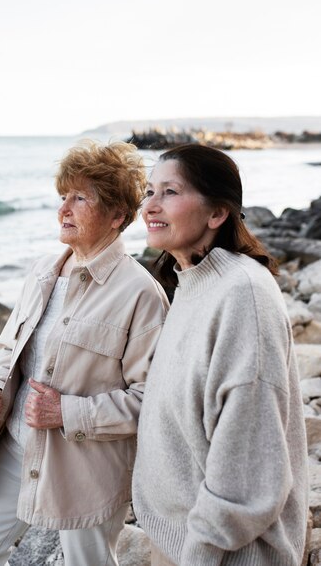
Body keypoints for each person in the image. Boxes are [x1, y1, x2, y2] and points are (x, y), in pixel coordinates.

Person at [0, 139, 169, 566]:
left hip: (86, 467)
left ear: (117, 216)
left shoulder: (142, 294)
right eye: (63, 196)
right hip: (13, 448)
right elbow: (9, 347)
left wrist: (66, 413)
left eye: (80, 198)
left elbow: (153, 402)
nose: (63, 208)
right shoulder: (41, 271)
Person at [132, 144, 308, 566]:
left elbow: (248, 470)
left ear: (217, 214)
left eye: (170, 192)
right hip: (180, 538)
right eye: (149, 191)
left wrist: (200, 552)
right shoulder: (192, 282)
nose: (150, 207)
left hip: (224, 553)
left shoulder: (242, 295)